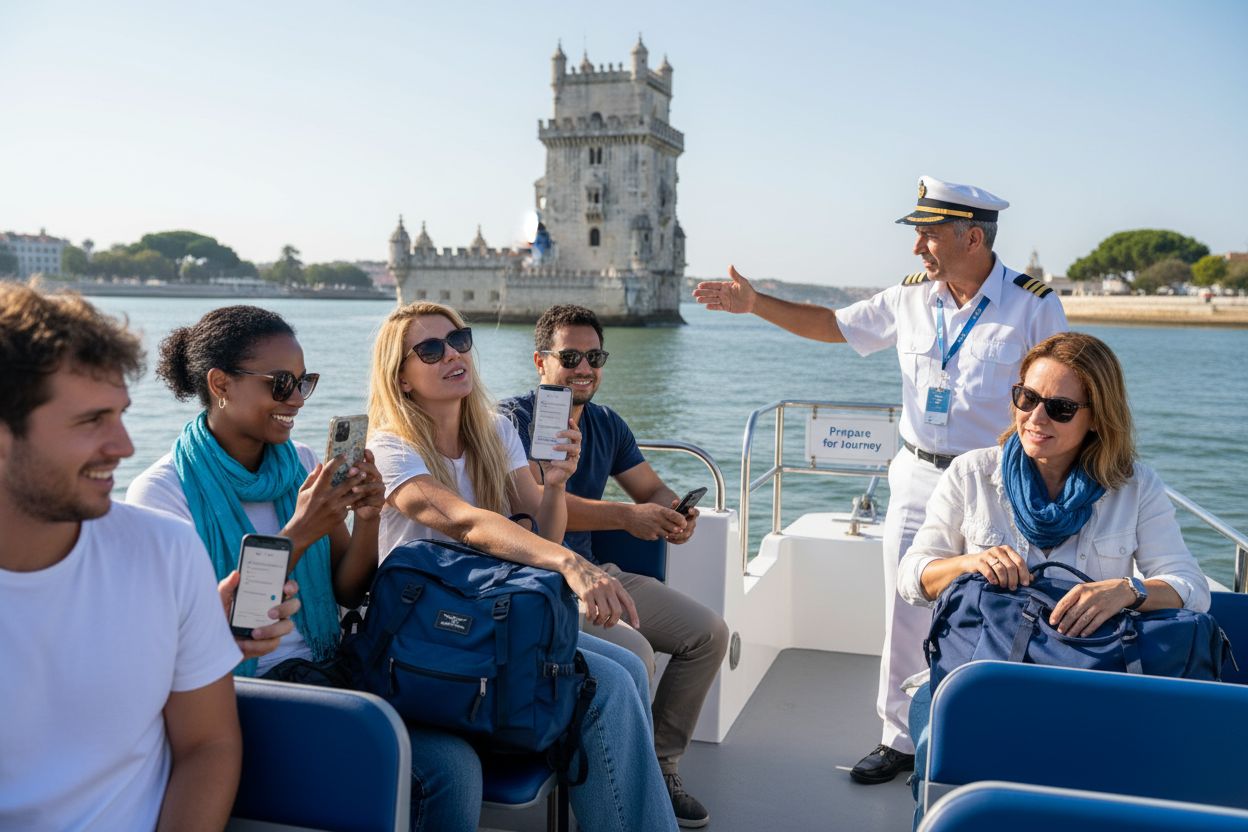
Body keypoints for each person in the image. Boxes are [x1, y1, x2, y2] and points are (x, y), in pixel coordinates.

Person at [693, 176, 1069, 784]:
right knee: (905, 607)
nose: (918, 247)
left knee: (1003, 607)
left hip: (999, 482)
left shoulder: (1034, 304)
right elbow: (832, 326)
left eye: (928, 234)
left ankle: (987, 734)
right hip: (919, 476)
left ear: (972, 236)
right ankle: (900, 739)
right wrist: (755, 303)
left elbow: (1061, 391)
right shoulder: (912, 297)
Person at [366, 301, 679, 832]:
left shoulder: (494, 431)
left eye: (460, 340)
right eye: (430, 349)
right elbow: (465, 522)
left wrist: (555, 483)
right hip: (428, 627)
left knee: (628, 665)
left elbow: (542, 528)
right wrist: (572, 566)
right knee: (607, 683)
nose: (453, 354)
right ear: (401, 377)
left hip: (493, 613)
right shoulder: (390, 448)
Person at [898, 331, 1211, 827]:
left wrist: (1126, 591)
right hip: (980, 678)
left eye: (1060, 408)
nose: (1036, 418)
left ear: (1096, 418)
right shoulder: (971, 474)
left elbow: (1190, 586)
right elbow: (913, 577)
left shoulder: (1135, 488)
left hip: (1090, 682)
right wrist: (969, 564)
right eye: (1027, 398)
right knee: (938, 754)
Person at [0, 284, 242, 830]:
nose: (124, 446)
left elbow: (209, 744)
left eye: (121, 414)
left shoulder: (167, 552)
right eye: (91, 421)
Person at [501, 304, 728, 828]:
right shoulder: (511, 421)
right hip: (536, 574)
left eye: (595, 356)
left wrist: (676, 513)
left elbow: (649, 488)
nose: (585, 368)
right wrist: (626, 517)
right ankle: (609, 779)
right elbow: (530, 503)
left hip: (598, 569)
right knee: (637, 653)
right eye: (571, 356)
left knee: (709, 635)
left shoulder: (606, 422)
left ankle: (660, 765)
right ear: (541, 362)